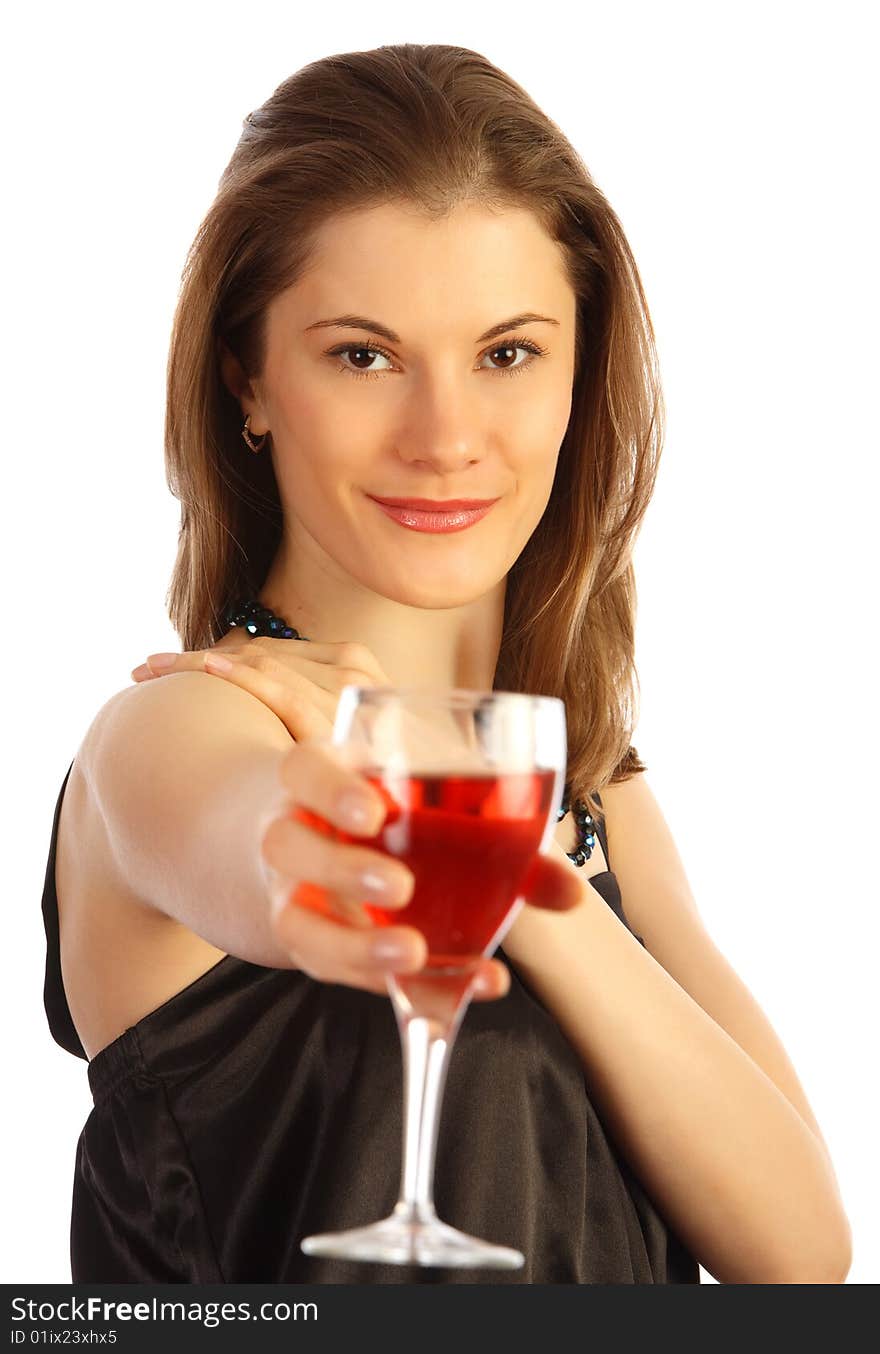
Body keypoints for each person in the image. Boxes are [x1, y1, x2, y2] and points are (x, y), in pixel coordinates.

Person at [41, 42, 851, 1285]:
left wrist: (512, 863)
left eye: (507, 354)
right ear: (248, 381)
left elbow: (797, 1256)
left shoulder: (595, 792)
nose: (445, 437)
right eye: (361, 355)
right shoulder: (178, 727)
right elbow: (260, 841)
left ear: (581, 373)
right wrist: (335, 851)